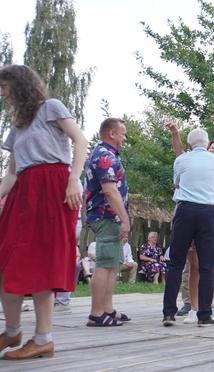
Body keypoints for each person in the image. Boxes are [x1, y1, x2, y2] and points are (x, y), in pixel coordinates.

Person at [0, 65, 87, 359]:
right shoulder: (18, 127)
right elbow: (11, 175)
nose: (2, 93)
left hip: (53, 188)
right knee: (6, 258)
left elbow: (81, 141)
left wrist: (73, 178)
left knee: (42, 261)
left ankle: (43, 338)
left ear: (19, 84)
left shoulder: (51, 107)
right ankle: (12, 332)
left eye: (4, 86)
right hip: (24, 192)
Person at [162, 128, 214, 327]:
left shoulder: (181, 160)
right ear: (207, 144)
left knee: (176, 263)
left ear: (190, 145)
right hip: (209, 212)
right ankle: (205, 315)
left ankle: (169, 314)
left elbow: (177, 184)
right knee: (207, 264)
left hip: (185, 210)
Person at [85, 117, 131, 328]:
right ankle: (96, 314)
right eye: (122, 133)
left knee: (113, 263)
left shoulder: (106, 154)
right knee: (104, 264)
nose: (124, 137)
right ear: (111, 133)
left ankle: (108, 309)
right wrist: (125, 219)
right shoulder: (104, 156)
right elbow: (110, 190)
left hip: (108, 216)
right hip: (106, 215)